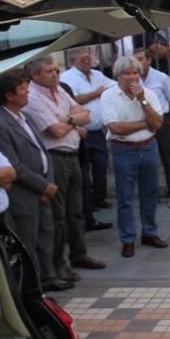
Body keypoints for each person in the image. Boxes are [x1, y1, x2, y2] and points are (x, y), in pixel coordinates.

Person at [0, 70, 70, 292]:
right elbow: (13, 164)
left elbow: (44, 152)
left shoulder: (26, 117)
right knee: (28, 242)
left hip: (42, 189)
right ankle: (33, 287)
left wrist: (48, 181)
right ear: (9, 95)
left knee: (46, 234)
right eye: (23, 89)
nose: (28, 93)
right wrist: (43, 186)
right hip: (24, 194)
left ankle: (48, 277)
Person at [25, 56, 107, 282]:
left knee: (76, 210)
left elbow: (86, 116)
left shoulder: (60, 90)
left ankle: (79, 254)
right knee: (58, 215)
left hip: (73, 155)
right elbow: (55, 131)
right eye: (49, 71)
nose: (55, 74)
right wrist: (74, 122)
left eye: (56, 70)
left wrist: (68, 119)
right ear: (35, 75)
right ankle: (58, 263)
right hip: (56, 157)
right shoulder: (33, 98)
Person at [100, 56, 169, 258]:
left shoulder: (148, 95)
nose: (132, 77)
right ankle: (127, 239)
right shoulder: (109, 96)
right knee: (125, 198)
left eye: (135, 73)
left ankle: (150, 232)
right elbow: (115, 127)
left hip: (148, 147)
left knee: (150, 194)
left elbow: (157, 124)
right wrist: (144, 124)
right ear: (118, 76)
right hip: (123, 149)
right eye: (127, 73)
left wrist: (143, 101)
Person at [60, 47, 115, 230]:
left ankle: (99, 199)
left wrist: (100, 92)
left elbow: (112, 86)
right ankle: (88, 205)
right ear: (73, 61)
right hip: (81, 134)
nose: (87, 61)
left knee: (101, 166)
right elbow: (74, 100)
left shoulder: (97, 75)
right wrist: (95, 93)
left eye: (88, 57)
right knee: (84, 172)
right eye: (82, 59)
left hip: (98, 131)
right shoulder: (67, 78)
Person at [133, 47, 170, 209]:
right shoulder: (132, 80)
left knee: (167, 157)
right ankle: (148, 195)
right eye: (136, 60)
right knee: (143, 160)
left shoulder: (162, 78)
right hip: (142, 122)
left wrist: (165, 119)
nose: (138, 63)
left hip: (161, 120)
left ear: (149, 60)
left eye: (141, 59)